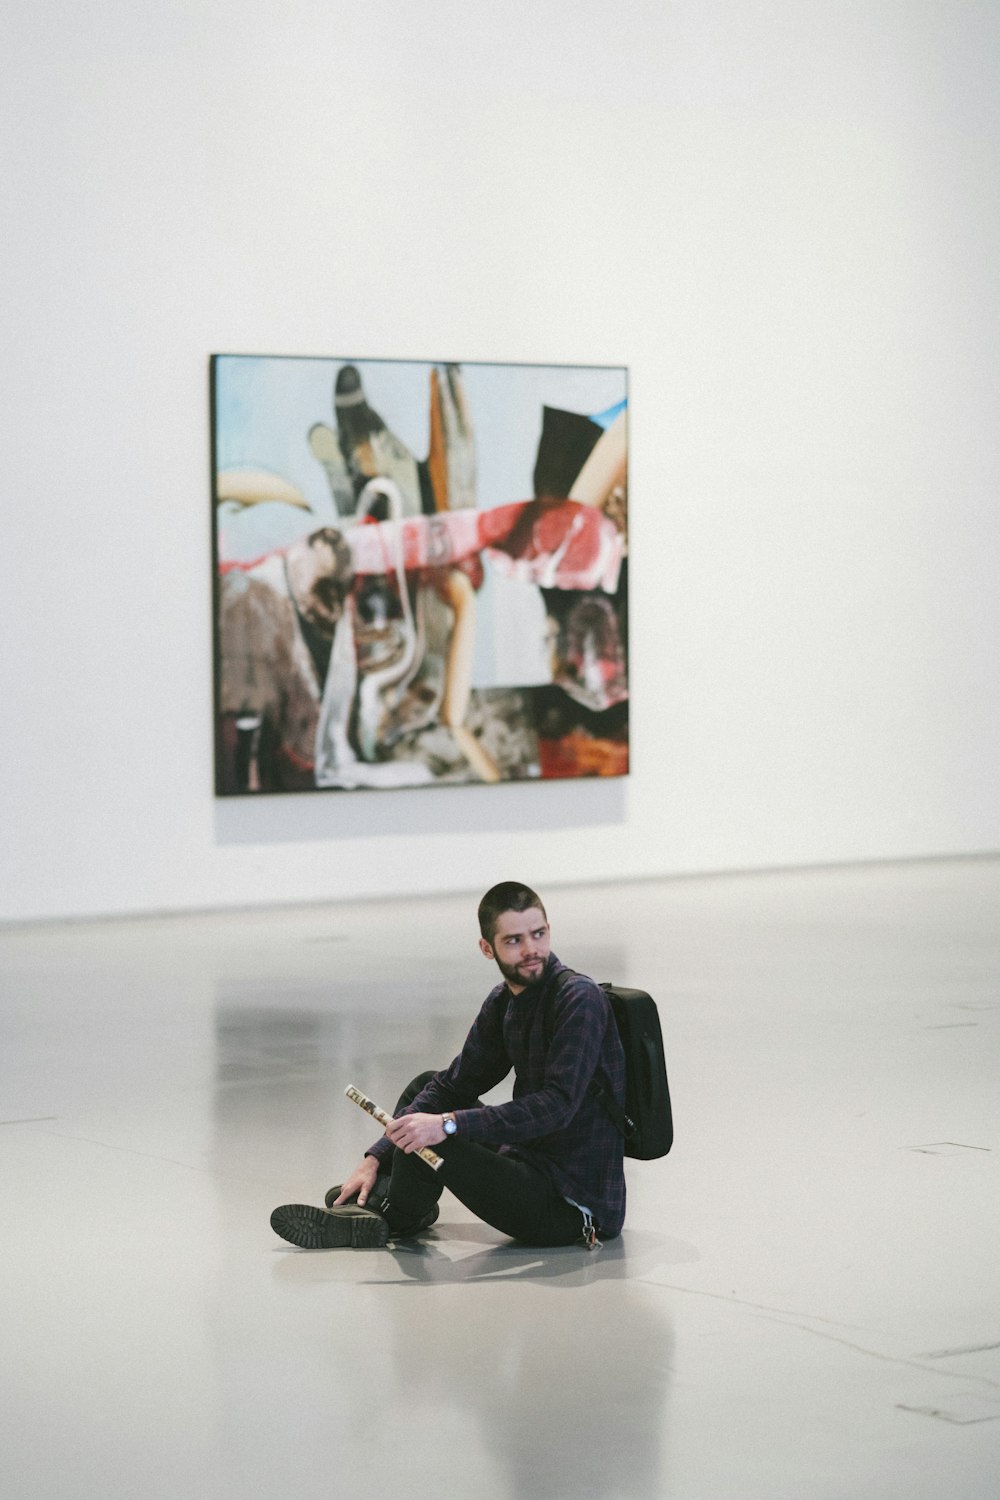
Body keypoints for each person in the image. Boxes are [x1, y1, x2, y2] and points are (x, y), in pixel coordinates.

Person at [270, 881, 627, 1252]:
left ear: (549, 931)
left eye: (538, 934)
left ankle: (389, 1214)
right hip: (528, 1159)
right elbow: (452, 1085)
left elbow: (556, 1107)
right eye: (514, 940)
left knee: (438, 1134)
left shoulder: (578, 1000)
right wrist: (375, 1156)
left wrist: (447, 1124)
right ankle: (390, 1201)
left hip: (569, 1204)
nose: (531, 950)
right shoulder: (504, 1001)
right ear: (487, 948)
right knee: (425, 1090)